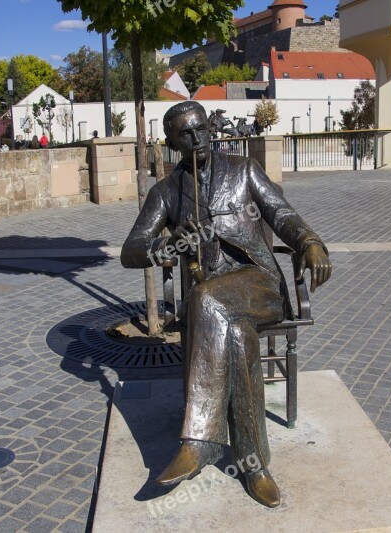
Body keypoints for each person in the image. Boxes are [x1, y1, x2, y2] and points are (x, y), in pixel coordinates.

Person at [121, 101, 331, 508]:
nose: (198, 138)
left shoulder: (243, 170)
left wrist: (308, 241)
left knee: (207, 299)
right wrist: (162, 244)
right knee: (234, 330)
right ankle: (254, 465)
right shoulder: (165, 192)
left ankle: (200, 441)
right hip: (217, 304)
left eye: (202, 128)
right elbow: (131, 249)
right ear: (171, 142)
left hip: (260, 285)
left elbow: (281, 213)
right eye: (187, 133)